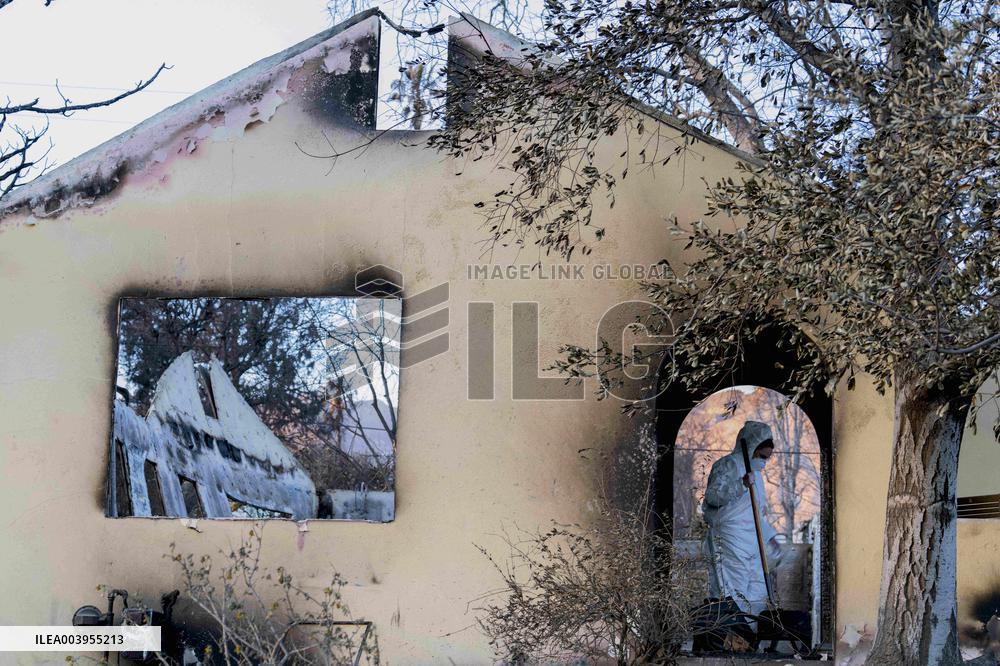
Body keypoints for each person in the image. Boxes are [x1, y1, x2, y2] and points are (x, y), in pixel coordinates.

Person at [701, 420, 782, 619]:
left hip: (753, 542)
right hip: (729, 540)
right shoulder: (728, 464)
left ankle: (749, 639)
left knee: (757, 593)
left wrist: (769, 536)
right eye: (762, 456)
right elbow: (713, 497)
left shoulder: (758, 476)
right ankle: (732, 637)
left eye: (767, 458)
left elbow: (753, 511)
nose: (764, 462)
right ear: (752, 447)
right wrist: (741, 484)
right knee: (732, 592)